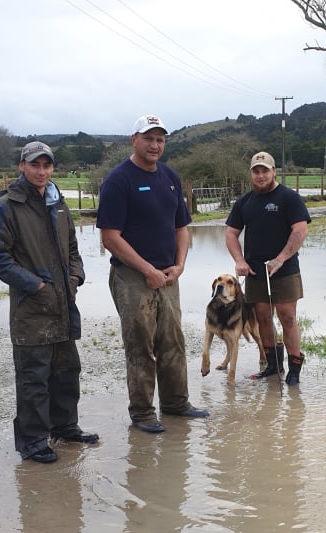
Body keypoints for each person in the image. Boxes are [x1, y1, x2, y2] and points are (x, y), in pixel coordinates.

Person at [0, 141, 97, 464]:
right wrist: (34, 285)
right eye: (35, 165)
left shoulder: (58, 203)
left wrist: (76, 277)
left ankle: (65, 427)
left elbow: (72, 247)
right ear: (22, 166)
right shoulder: (7, 206)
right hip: (31, 309)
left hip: (63, 304)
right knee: (34, 378)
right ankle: (32, 442)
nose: (41, 171)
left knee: (66, 371)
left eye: (47, 165)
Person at [96, 114, 209, 433]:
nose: (155, 144)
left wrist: (180, 264)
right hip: (132, 277)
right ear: (134, 140)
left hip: (168, 275)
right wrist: (147, 270)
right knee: (140, 344)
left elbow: (181, 228)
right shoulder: (120, 180)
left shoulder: (170, 178)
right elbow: (110, 237)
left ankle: (175, 404)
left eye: (160, 139)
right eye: (149, 138)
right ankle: (143, 412)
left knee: (172, 339)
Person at [225, 151, 311, 385]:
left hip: (284, 269)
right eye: (256, 171)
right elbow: (231, 233)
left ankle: (294, 368)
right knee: (263, 317)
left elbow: (300, 230)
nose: (261, 175)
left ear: (274, 171)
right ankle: (273, 366)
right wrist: (240, 261)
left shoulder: (289, 198)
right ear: (251, 173)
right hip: (255, 271)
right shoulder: (244, 202)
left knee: (288, 317)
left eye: (265, 170)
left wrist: (281, 258)